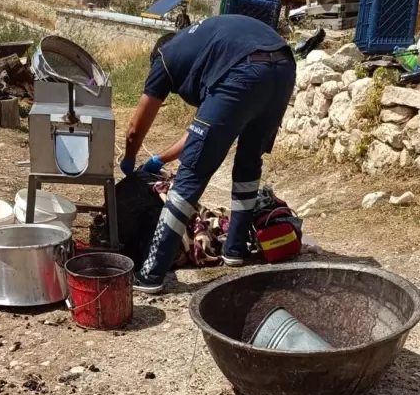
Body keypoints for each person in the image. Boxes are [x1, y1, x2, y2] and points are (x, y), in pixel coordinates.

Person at [119, 15, 296, 294]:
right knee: (249, 164)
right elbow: (200, 134)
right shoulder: (207, 46)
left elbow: (134, 128)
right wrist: (159, 160)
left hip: (244, 70)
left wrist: (129, 161)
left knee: (190, 176)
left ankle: (151, 274)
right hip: (283, 68)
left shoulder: (164, 59)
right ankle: (235, 250)